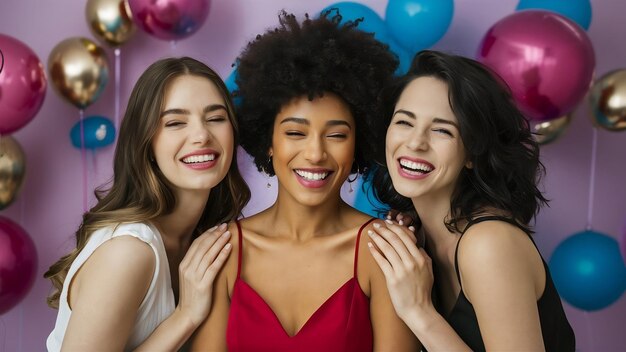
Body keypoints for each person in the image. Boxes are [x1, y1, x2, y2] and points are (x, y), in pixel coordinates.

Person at [191, 10, 419, 351]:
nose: (315, 154)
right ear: (268, 142)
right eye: (296, 132)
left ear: (359, 143)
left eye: (337, 135)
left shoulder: (383, 253)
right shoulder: (222, 252)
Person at [368, 50, 575, 351]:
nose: (415, 142)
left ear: (472, 153)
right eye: (404, 122)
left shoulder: (489, 243)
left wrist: (419, 312)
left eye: (442, 130)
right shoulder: (420, 238)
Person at [45, 57, 250, 351]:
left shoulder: (206, 241)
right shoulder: (128, 252)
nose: (202, 135)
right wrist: (185, 317)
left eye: (216, 118)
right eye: (175, 123)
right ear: (146, 142)